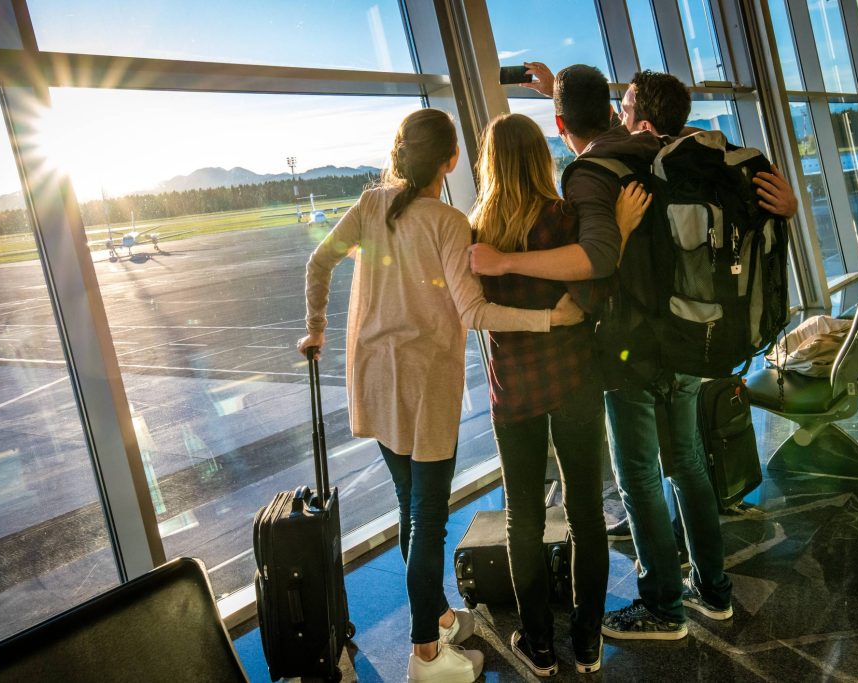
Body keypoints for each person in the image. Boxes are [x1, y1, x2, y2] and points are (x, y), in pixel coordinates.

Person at [488, 64, 797, 640]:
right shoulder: (662, 148)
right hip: (688, 335)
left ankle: (662, 606)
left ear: (561, 125)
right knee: (688, 464)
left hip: (634, 347)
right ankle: (714, 591)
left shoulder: (590, 173)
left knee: (638, 477)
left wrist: (512, 267)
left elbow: (596, 267)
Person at [297, 108, 584, 683]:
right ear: (452, 161)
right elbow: (474, 311)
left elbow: (318, 260)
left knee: (410, 508)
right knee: (427, 522)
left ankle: (439, 616)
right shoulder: (450, 223)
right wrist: (549, 319)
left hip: (375, 379)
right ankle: (425, 652)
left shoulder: (369, 205)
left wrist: (318, 326)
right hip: (424, 386)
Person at [470, 112, 650, 676]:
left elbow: (474, 313)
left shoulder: (476, 235)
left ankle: (540, 645)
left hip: (514, 389)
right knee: (585, 514)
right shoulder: (564, 219)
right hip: (574, 378)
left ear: (490, 165)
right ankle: (589, 640)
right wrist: (619, 229)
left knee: (522, 517)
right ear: (539, 160)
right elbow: (596, 289)